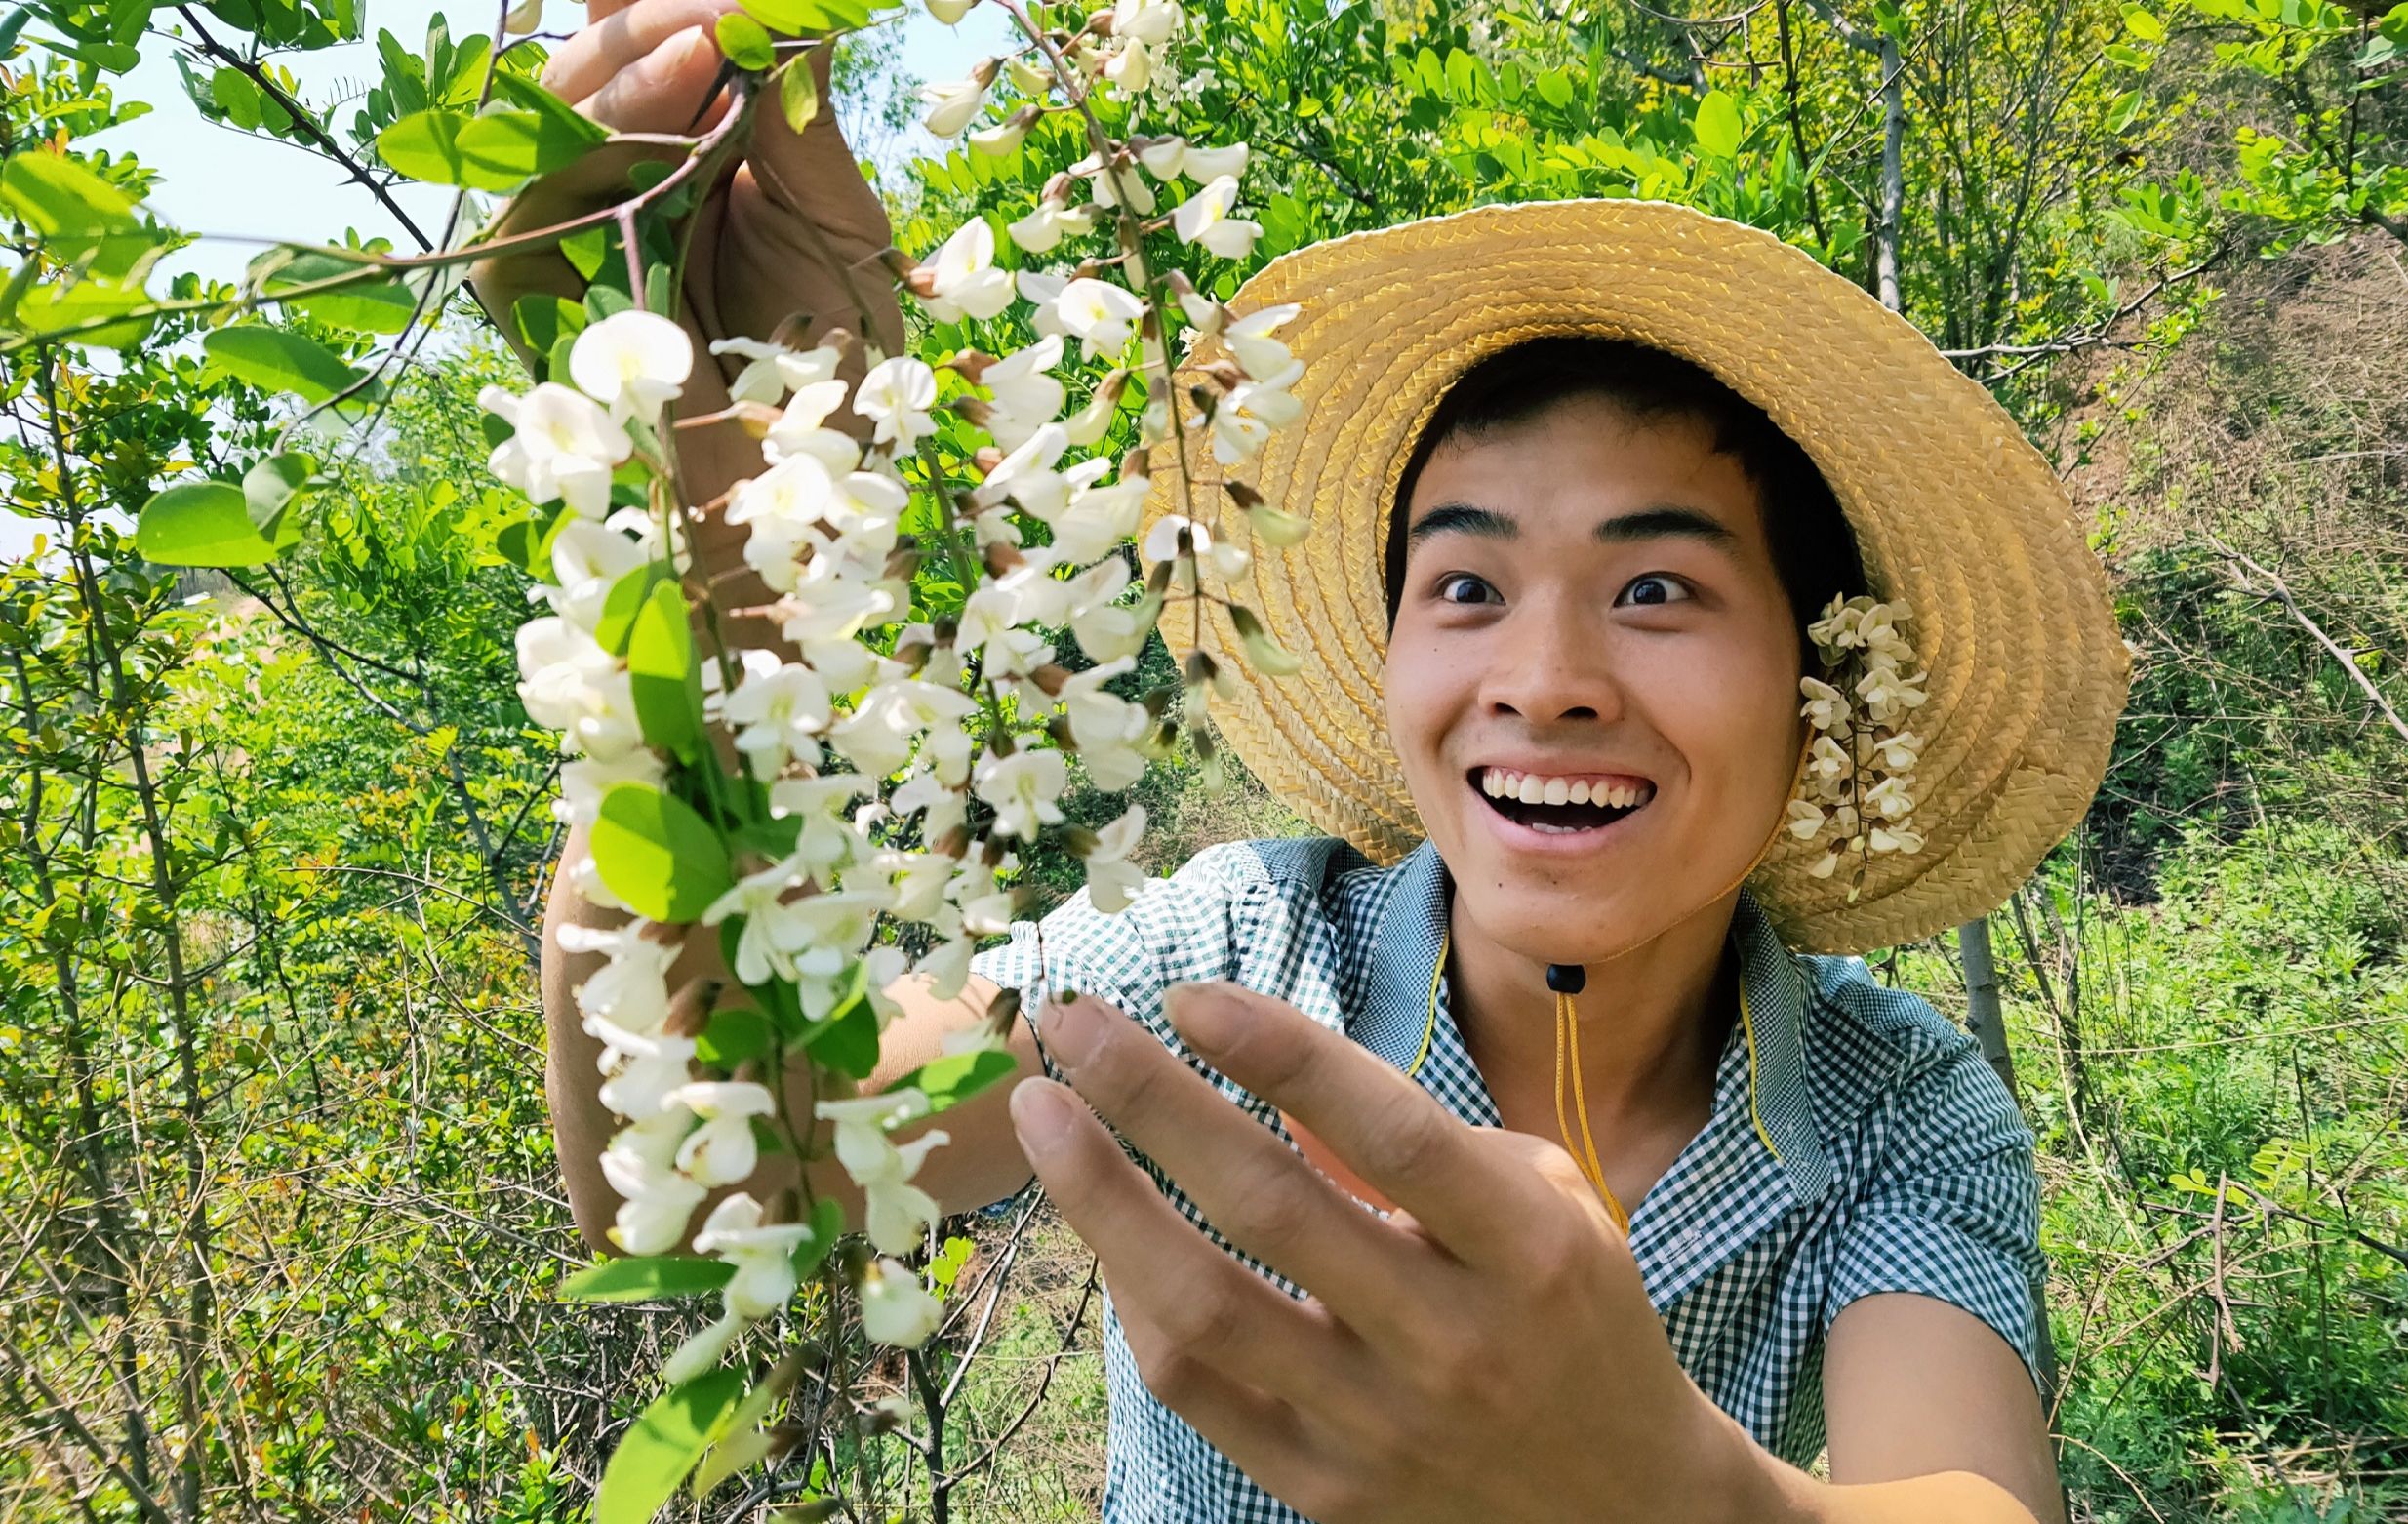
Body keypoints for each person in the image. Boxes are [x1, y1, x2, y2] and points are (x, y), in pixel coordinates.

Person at [480, 7, 2130, 1522]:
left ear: (1815, 676)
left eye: (1657, 589)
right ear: (1397, 651)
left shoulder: (1896, 1109)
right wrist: (740, 533)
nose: (1544, 683)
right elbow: (717, 1177)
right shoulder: (1224, 960)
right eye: (1466, 586)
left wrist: (1671, 1485)